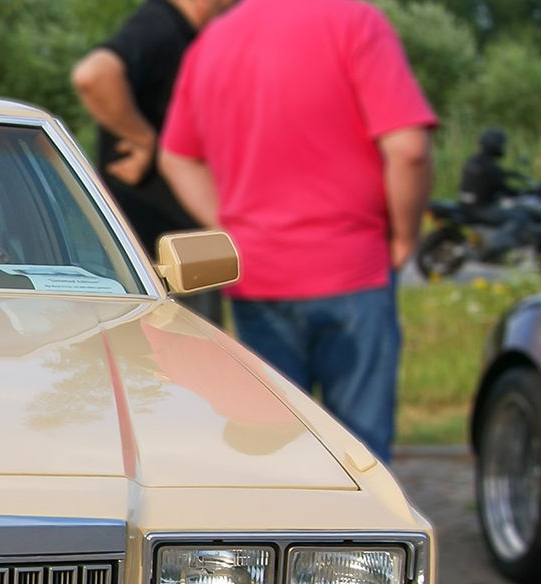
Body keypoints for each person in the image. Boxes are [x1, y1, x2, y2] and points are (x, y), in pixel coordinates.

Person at [158, 0, 435, 463]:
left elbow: (175, 157)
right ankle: (362, 537)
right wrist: (405, 236)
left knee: (274, 454)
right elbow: (409, 149)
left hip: (256, 279)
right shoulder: (355, 23)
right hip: (353, 270)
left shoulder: (212, 42)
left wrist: (230, 227)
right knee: (360, 459)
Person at [70, 0, 236, 321]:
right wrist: (142, 138)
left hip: (183, 255)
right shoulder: (160, 25)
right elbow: (94, 75)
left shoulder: (187, 37)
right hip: (152, 257)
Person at [459, 128, 535, 258]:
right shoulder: (490, 166)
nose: (503, 148)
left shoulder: (474, 160)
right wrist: (524, 192)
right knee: (519, 217)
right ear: (494, 145)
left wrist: (510, 175)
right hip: (481, 208)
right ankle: (495, 246)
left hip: (466, 204)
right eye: (501, 145)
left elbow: (496, 178)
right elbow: (503, 189)